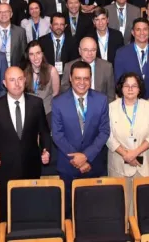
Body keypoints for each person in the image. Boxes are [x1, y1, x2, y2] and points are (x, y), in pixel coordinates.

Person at [0, 66, 51, 219]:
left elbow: (44, 131)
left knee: (31, 208)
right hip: (5, 167)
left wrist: (46, 149)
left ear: (25, 80)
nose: (17, 84)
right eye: (12, 80)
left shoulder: (36, 103)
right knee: (7, 211)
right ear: (4, 83)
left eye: (20, 79)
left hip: (31, 165)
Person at [51, 61, 110, 216]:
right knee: (69, 212)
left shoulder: (101, 100)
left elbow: (104, 132)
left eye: (86, 78)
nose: (82, 82)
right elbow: (57, 135)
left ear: (91, 79)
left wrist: (86, 157)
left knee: (93, 212)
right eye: (78, 78)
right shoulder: (58, 102)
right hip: (68, 166)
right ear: (70, 78)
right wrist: (77, 159)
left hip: (93, 164)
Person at [107, 73, 149, 213]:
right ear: (121, 88)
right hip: (119, 165)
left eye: (134, 86)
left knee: (144, 207)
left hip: (144, 165)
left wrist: (134, 153)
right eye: (126, 86)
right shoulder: (111, 107)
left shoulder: (148, 107)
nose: (130, 89)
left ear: (139, 88)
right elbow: (108, 136)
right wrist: (125, 154)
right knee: (120, 207)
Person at [114, 18, 149, 98]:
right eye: (138, 30)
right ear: (133, 32)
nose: (142, 33)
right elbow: (119, 81)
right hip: (130, 100)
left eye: (145, 29)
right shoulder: (121, 53)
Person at [61, 37, 116, 102]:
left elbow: (111, 95)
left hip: (99, 105)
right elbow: (64, 91)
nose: (90, 53)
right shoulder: (69, 66)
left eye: (93, 50)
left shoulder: (107, 67)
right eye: (86, 50)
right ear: (79, 51)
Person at [23, 40, 60, 123]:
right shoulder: (24, 73)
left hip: (48, 113)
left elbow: (55, 94)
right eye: (31, 54)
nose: (35, 57)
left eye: (38, 53)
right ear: (28, 57)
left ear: (42, 54)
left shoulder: (52, 71)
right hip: (30, 113)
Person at [0, 3, 27, 68]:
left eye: (6, 11)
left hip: (15, 69)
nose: (3, 14)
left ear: (11, 14)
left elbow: (24, 54)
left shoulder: (20, 32)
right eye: (0, 12)